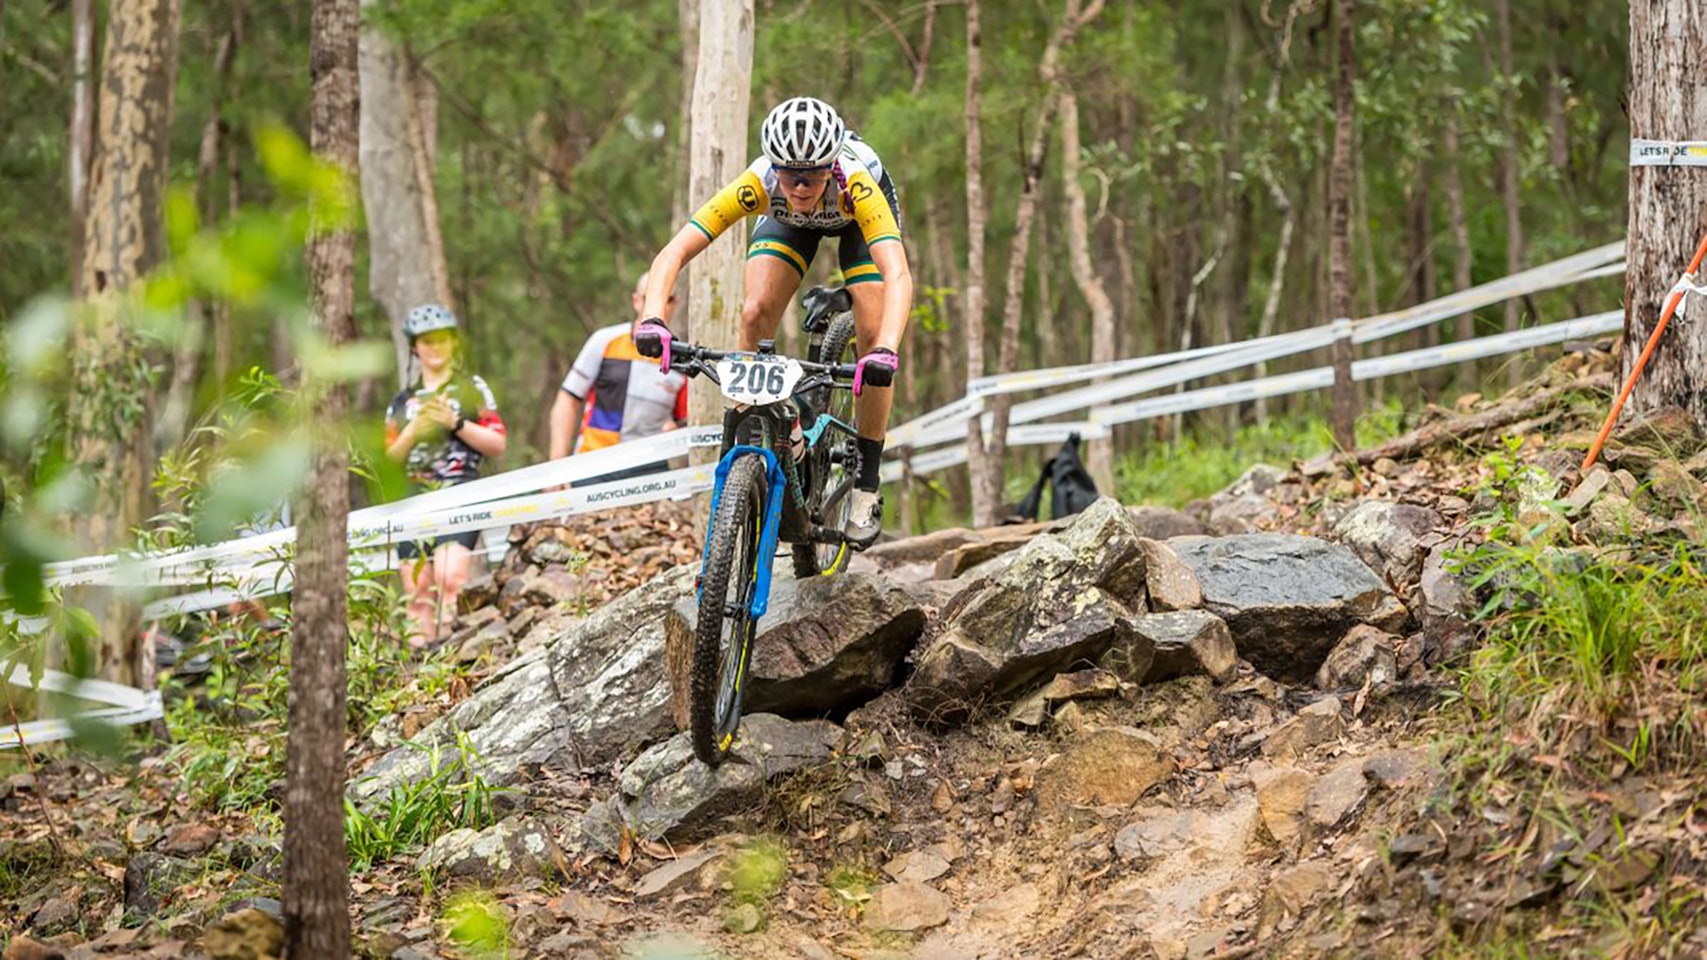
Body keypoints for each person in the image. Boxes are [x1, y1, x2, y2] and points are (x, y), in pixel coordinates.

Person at [635, 96, 912, 547]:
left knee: (871, 330)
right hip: (789, 226)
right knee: (754, 312)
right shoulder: (760, 183)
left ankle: (866, 483)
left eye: (812, 176)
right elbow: (676, 251)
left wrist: (885, 349)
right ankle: (769, 430)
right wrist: (653, 318)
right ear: (774, 166)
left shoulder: (857, 184)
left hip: (855, 225)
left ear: (831, 165)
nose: (800, 188)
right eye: (789, 176)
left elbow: (898, 274)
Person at [384, 304, 508, 648]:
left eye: (441, 340)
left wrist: (454, 423)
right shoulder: (401, 401)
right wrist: (414, 431)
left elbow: (498, 442)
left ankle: (453, 657)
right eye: (426, 341)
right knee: (416, 587)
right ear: (414, 348)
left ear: (453, 343)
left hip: (460, 489)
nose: (434, 347)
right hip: (413, 494)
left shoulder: (472, 388)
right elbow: (386, 461)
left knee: (449, 576)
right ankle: (421, 665)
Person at [548, 272, 689, 484]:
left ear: (676, 303)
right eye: (648, 298)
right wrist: (556, 468)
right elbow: (568, 400)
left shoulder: (681, 360)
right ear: (636, 301)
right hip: (595, 463)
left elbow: (684, 420)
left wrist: (675, 430)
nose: (657, 307)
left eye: (667, 299)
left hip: (649, 470)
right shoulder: (605, 341)